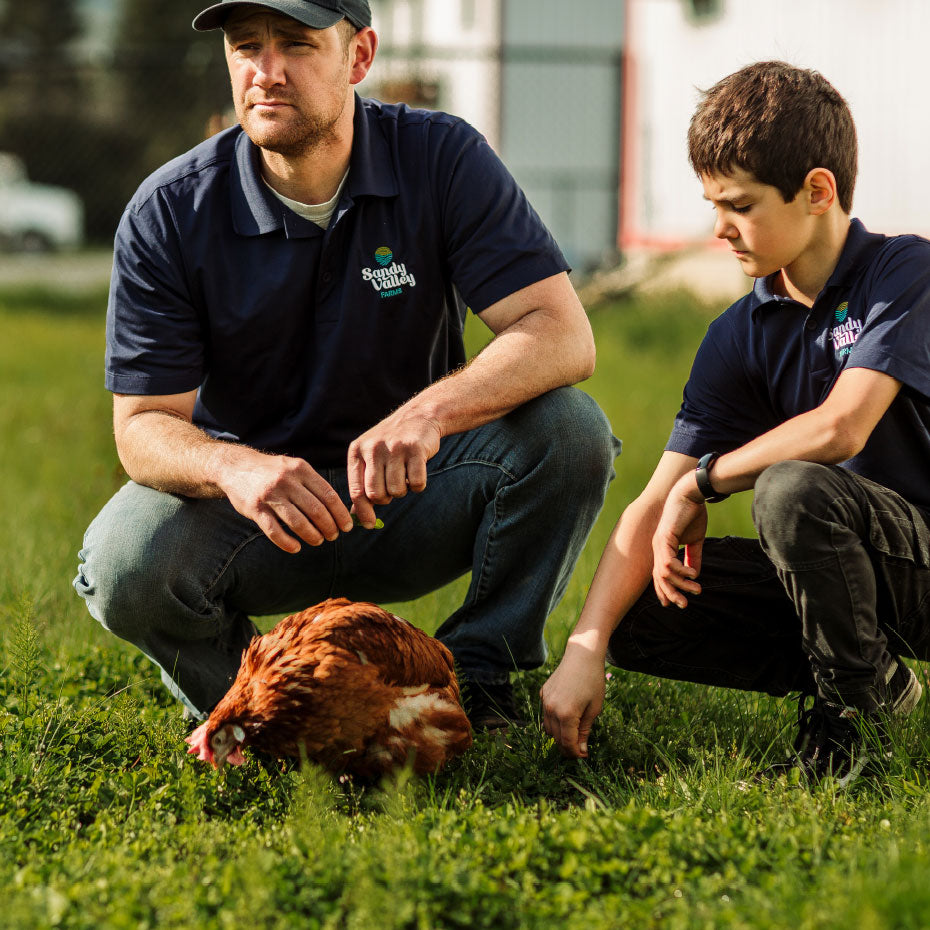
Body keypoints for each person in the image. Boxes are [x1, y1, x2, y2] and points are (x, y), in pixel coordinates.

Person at [73, 0, 618, 731]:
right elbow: (141, 426)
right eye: (245, 48)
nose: (266, 72)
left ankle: (481, 679)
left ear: (359, 57)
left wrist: (427, 416)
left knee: (571, 432)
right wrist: (238, 470)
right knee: (120, 561)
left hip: (416, 495)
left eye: (296, 45)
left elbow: (562, 333)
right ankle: (268, 708)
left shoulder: (441, 157)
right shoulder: (168, 211)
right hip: (261, 520)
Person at [541, 60, 930, 783]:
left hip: (923, 562)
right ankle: (873, 678)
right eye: (712, 202)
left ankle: (855, 726)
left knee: (791, 489)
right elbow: (652, 503)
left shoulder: (905, 274)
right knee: (643, 604)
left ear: (818, 191)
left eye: (740, 205)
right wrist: (585, 647)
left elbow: (841, 428)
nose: (719, 227)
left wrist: (706, 482)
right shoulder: (740, 331)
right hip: (842, 573)